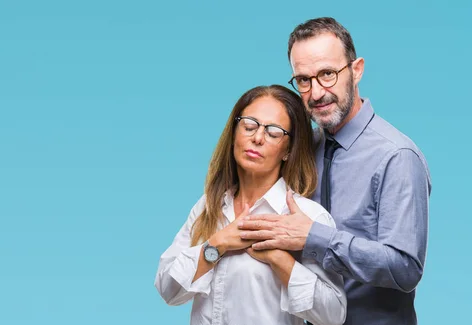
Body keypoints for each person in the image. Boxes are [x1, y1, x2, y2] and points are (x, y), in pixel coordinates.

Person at [238, 17, 432, 324]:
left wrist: (314, 238)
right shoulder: (302, 148)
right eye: (303, 80)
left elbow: (405, 269)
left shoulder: (397, 156)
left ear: (356, 71)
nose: (316, 93)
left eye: (327, 74)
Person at [154, 85, 347, 325]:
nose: (257, 138)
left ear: (288, 149)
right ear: (235, 132)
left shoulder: (306, 216)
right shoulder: (208, 206)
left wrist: (280, 259)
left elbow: (333, 316)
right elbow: (167, 289)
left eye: (274, 132)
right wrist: (217, 244)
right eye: (249, 125)